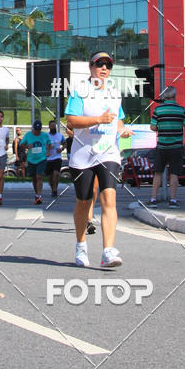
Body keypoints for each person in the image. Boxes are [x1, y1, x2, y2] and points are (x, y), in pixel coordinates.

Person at [66, 51, 133, 268]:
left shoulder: (115, 93)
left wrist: (123, 131)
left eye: (108, 65)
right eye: (99, 64)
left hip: (108, 152)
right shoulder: (79, 91)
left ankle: (108, 251)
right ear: (90, 67)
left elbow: (118, 121)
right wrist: (98, 119)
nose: (104, 68)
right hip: (83, 154)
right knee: (84, 202)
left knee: (109, 198)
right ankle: (81, 244)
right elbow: (72, 121)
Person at [150, 85, 185, 207]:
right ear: (175, 96)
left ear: (164, 96)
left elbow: (152, 127)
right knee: (174, 174)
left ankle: (153, 199)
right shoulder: (181, 110)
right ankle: (173, 200)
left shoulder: (158, 110)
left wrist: (161, 127)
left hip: (162, 146)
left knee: (157, 173)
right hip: (176, 146)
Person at [67, 122, 97, 233]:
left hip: (98, 153)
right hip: (83, 155)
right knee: (84, 191)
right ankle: (87, 219)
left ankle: (90, 217)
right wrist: (76, 136)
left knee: (94, 189)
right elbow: (69, 127)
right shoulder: (81, 109)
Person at [20, 120, 52, 204]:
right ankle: (36, 193)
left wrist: (48, 151)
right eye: (36, 130)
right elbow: (21, 144)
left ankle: (39, 195)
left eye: (39, 130)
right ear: (33, 128)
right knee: (34, 178)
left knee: (39, 176)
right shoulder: (28, 135)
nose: (37, 132)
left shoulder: (45, 135)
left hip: (41, 159)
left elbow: (49, 143)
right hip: (31, 160)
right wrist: (27, 146)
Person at [46, 120, 65, 198]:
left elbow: (65, 143)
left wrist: (62, 149)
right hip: (48, 158)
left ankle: (55, 189)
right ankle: (53, 189)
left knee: (56, 174)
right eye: (52, 126)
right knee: (50, 177)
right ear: (49, 127)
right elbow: (44, 145)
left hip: (57, 157)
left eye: (54, 126)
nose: (53, 127)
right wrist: (48, 148)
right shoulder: (46, 136)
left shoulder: (60, 135)